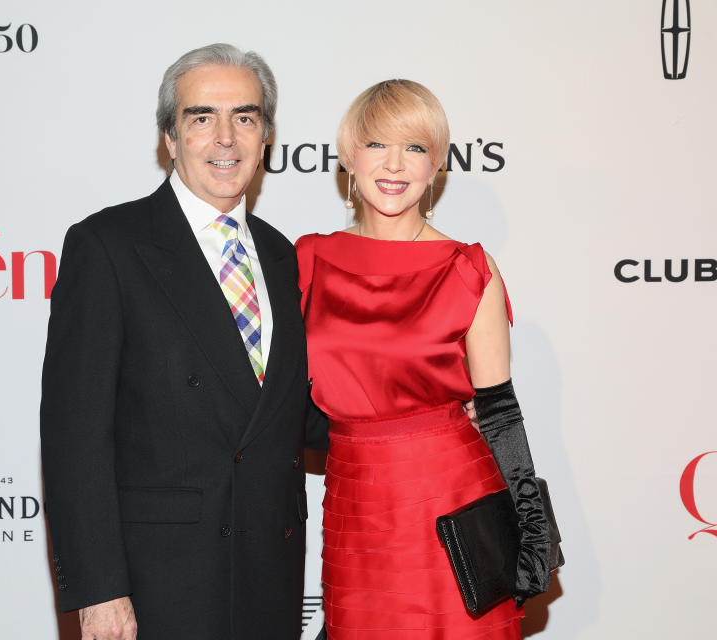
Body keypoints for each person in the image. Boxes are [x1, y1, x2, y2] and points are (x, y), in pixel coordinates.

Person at [40, 43, 327, 640]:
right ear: (170, 138)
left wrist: (430, 406)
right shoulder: (109, 245)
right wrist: (99, 592)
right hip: (158, 588)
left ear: (266, 136)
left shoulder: (283, 257)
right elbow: (75, 437)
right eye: (202, 118)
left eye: (244, 117)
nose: (226, 138)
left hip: (269, 583)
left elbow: (294, 415)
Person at [296, 80, 551, 638]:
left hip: (450, 497)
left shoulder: (467, 268)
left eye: (414, 147)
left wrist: (532, 529)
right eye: (376, 145)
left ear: (436, 164)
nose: (394, 165)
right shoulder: (309, 259)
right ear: (347, 157)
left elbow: (500, 411)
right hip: (354, 502)